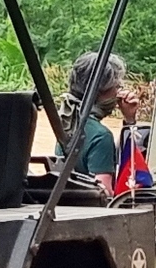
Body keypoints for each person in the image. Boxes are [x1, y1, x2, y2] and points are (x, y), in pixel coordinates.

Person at [57, 51, 140, 194]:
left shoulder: (67, 122)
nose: (118, 93)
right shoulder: (101, 136)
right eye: (116, 87)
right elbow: (103, 193)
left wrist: (129, 120)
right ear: (100, 91)